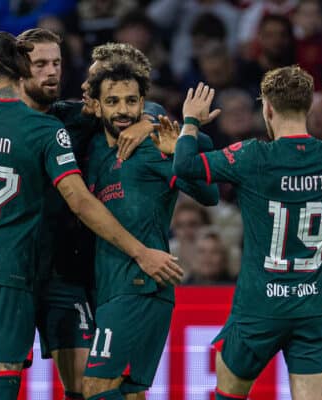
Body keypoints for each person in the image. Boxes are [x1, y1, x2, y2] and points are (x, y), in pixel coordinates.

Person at [0, 31, 182, 400]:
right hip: (13, 267)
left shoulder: (73, 118)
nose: (52, 73)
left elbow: (136, 107)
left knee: (85, 387)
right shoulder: (30, 128)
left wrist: (149, 120)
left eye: (57, 63)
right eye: (40, 64)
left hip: (63, 273)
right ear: (18, 69)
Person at [168, 67, 322, 399]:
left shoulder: (251, 155)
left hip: (259, 308)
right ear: (307, 108)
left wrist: (190, 122)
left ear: (268, 109)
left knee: (229, 395)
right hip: (313, 309)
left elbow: (184, 166)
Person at [81, 61, 219, 400]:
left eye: (131, 101)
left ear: (143, 102)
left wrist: (182, 148)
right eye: (112, 102)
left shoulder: (153, 144)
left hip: (140, 282)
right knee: (129, 392)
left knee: (97, 387)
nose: (123, 110)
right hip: (112, 285)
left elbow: (209, 194)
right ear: (96, 105)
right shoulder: (95, 146)